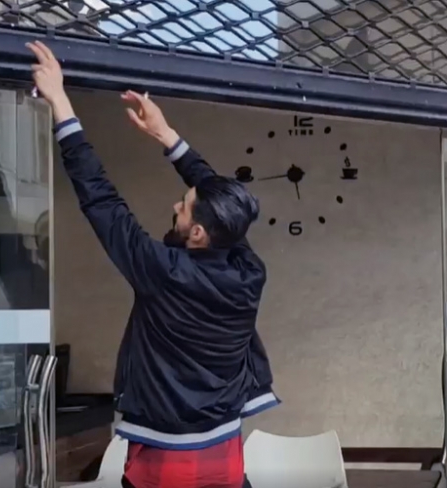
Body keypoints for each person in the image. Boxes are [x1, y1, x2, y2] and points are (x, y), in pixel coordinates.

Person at [26, 41, 279, 488]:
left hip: (167, 457)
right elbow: (217, 198)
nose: (176, 206)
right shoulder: (248, 270)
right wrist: (167, 137)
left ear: (197, 233)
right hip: (224, 449)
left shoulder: (163, 272)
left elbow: (102, 200)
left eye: (183, 206)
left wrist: (61, 103)